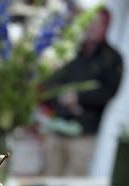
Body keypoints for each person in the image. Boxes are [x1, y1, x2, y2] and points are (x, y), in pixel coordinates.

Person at [43, 8, 123, 176]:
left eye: (98, 24)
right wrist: (62, 98)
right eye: (90, 23)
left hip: (84, 133)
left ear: (105, 27)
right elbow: (51, 79)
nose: (92, 27)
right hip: (57, 126)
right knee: (49, 177)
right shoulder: (70, 50)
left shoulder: (112, 58)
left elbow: (108, 93)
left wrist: (79, 98)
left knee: (74, 182)